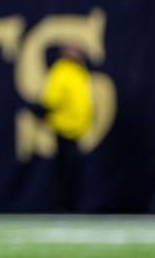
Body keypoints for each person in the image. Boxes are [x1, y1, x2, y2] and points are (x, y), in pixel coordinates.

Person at [29, 45, 93, 211]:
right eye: (72, 50)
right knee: (65, 171)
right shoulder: (61, 71)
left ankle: (71, 206)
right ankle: (62, 207)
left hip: (76, 131)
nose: (76, 53)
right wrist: (42, 112)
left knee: (73, 172)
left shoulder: (78, 72)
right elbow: (51, 99)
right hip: (64, 130)